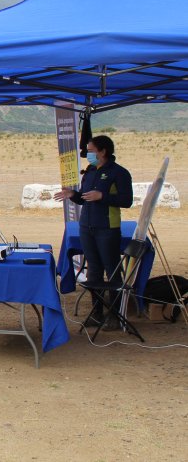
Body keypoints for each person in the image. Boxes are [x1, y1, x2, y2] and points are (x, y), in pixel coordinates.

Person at [54, 135, 133, 329]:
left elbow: (126, 200)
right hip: (86, 227)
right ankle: (97, 312)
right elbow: (84, 198)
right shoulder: (89, 171)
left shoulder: (119, 173)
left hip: (107, 228)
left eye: (90, 151)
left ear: (103, 151)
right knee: (94, 272)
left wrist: (103, 196)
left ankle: (114, 315)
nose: (87, 154)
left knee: (112, 271)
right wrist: (73, 195)